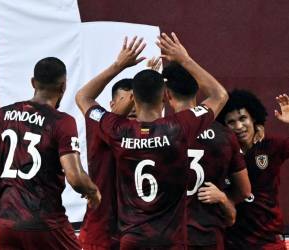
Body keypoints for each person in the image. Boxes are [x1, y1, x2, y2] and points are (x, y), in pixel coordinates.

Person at [76, 33, 228, 249]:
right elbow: (219, 95)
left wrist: (119, 65)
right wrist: (185, 59)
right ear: (165, 96)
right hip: (170, 241)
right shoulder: (179, 127)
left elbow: (83, 97)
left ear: (133, 99)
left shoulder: (118, 130)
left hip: (132, 239)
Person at [0, 57, 101, 250]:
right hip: (45, 223)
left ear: (33, 83)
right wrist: (93, 192)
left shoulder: (1, 116)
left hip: (5, 225)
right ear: (63, 87)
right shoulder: (62, 122)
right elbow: (75, 177)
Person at [216, 89, 289, 249]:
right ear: (224, 126)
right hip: (232, 241)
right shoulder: (220, 153)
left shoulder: (272, 145)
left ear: (253, 118)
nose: (239, 126)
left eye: (243, 118)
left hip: (268, 240)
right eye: (231, 122)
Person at [162, 62, 251, 250]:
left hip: (167, 236)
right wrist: (225, 200)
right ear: (197, 91)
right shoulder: (225, 135)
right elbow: (244, 190)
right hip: (207, 235)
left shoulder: (159, 132)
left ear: (167, 94)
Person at [78, 78, 135, 250]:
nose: (131, 107)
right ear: (111, 103)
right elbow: (83, 97)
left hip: (136, 232)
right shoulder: (100, 126)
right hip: (101, 232)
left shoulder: (150, 133)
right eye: (126, 100)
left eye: (135, 101)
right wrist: (118, 65)